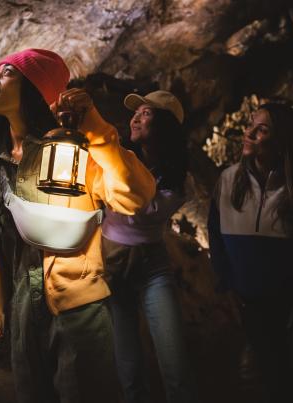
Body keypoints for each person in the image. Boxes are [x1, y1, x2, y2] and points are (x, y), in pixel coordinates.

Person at [0, 48, 156, 403]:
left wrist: (96, 130)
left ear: (35, 89)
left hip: (77, 311)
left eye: (7, 73)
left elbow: (135, 196)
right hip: (19, 315)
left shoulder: (72, 155)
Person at [207, 102, 293, 403]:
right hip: (250, 307)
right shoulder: (228, 181)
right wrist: (226, 282)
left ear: (282, 141)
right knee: (267, 384)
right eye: (251, 125)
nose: (249, 133)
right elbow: (215, 234)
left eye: (262, 129)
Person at [101, 90, 199, 403]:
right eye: (136, 112)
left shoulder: (178, 180)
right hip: (113, 260)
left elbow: (138, 207)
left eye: (146, 114)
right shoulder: (117, 157)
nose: (135, 118)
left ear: (165, 127)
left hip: (151, 264)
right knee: (127, 361)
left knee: (174, 358)